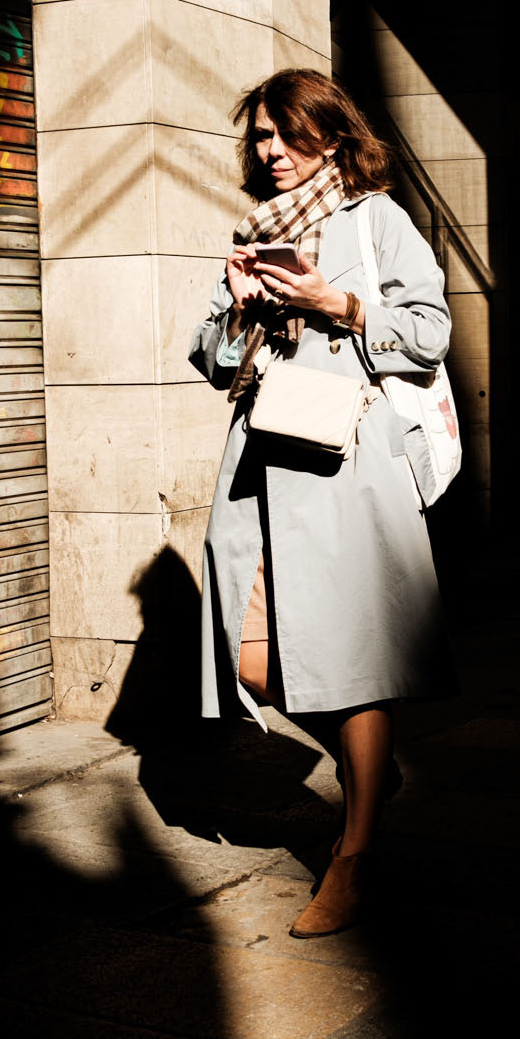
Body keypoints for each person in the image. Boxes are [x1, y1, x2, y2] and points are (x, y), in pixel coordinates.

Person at [188, 70, 456, 937]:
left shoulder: (376, 221)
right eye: (260, 137)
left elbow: (430, 332)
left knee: (349, 656)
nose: (267, 151)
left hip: (347, 465)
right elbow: (210, 359)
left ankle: (354, 854)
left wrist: (336, 302)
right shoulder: (256, 232)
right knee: (253, 659)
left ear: (331, 137)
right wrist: (237, 311)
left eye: (283, 135)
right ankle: (369, 768)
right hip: (262, 464)